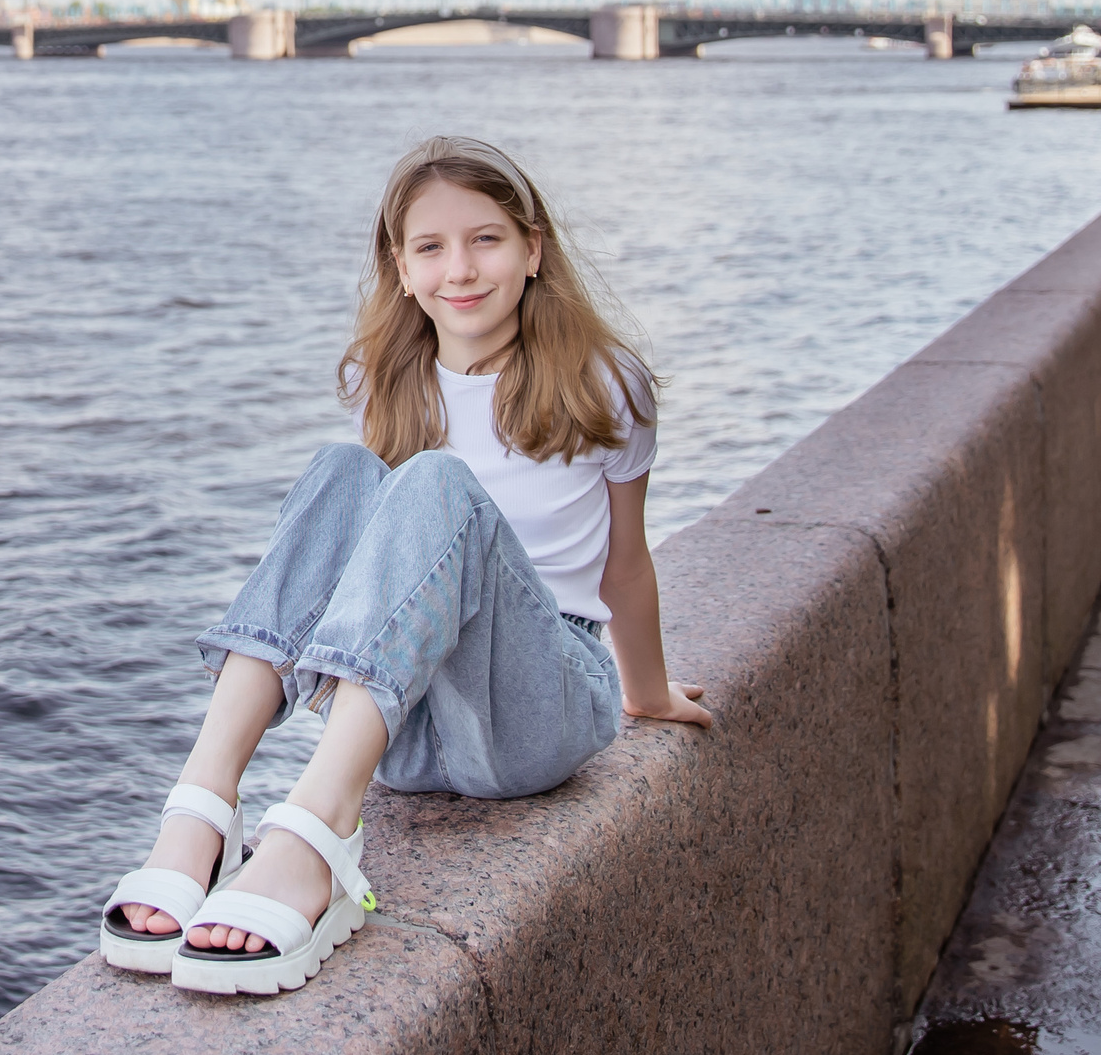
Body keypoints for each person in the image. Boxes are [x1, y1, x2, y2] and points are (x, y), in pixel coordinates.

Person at [102, 136, 711, 997]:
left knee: (432, 483)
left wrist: (644, 691)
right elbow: (379, 566)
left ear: (534, 250)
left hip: (540, 709)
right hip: (410, 728)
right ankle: (203, 805)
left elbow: (625, 566)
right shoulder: (388, 383)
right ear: (401, 265)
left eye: (486, 239)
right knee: (343, 472)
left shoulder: (606, 382)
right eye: (430, 246)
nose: (459, 268)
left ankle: (313, 835)